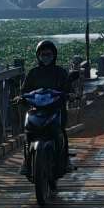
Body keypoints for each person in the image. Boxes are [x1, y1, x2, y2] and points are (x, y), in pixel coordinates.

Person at [22, 39, 74, 173]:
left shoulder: (60, 72)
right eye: (43, 54)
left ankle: (65, 159)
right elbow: (25, 90)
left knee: (61, 131)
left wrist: (70, 94)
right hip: (37, 109)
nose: (46, 57)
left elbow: (68, 88)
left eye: (48, 54)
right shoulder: (33, 73)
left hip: (56, 108)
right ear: (38, 56)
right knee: (28, 132)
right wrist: (20, 97)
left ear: (54, 55)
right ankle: (26, 160)